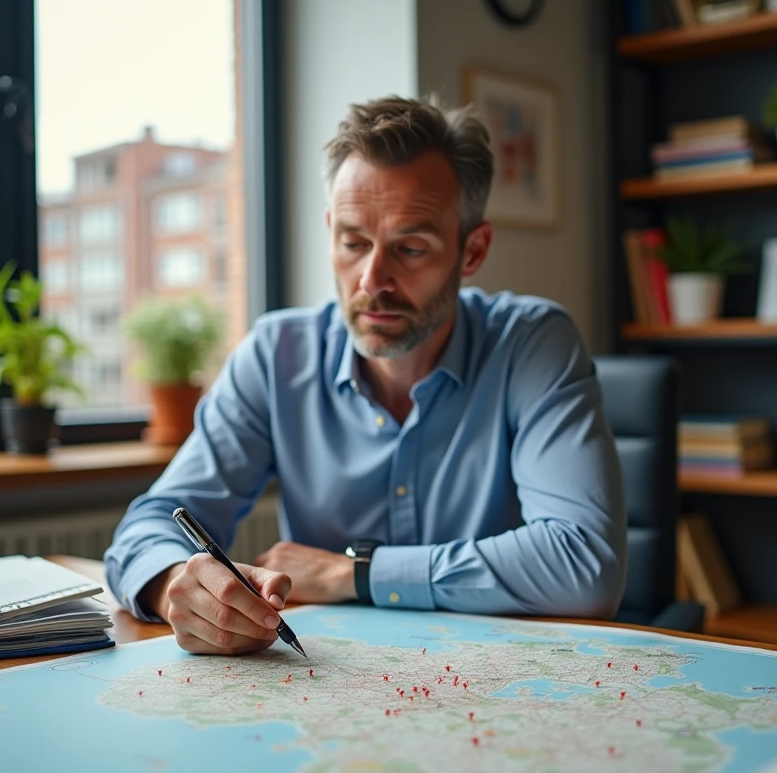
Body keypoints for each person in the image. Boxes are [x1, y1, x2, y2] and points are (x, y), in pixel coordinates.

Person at [104, 94, 627, 656]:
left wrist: (354, 574)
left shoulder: (532, 344)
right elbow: (151, 526)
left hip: (500, 679)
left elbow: (585, 564)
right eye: (353, 243)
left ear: (471, 251)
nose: (372, 280)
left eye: (411, 247)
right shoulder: (277, 356)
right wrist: (173, 587)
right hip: (335, 687)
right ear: (331, 231)